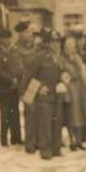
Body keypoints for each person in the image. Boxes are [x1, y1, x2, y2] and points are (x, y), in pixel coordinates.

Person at [18, 26, 65, 158]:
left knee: (57, 121)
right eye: (53, 42)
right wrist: (39, 87)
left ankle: (56, 148)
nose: (56, 44)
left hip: (56, 94)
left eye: (58, 42)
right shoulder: (40, 57)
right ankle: (45, 149)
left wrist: (62, 80)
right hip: (43, 96)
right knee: (45, 123)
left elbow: (61, 74)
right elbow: (28, 76)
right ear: (48, 44)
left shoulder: (59, 57)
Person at [0, 25, 22, 147]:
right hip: (4, 88)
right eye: (5, 38)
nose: (7, 40)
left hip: (14, 87)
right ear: (0, 39)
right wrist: (11, 79)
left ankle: (16, 138)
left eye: (8, 38)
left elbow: (18, 66)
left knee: (15, 113)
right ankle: (4, 139)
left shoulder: (13, 51)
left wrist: (17, 79)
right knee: (5, 114)